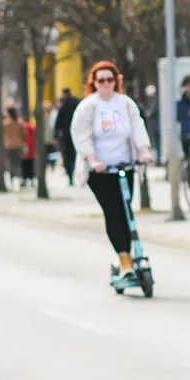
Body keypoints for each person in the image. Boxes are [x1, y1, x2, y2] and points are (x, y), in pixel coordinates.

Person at [69, 60, 153, 279]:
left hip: (125, 165)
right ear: (94, 83)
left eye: (110, 79)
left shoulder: (125, 104)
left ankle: (133, 255)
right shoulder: (88, 106)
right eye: (101, 80)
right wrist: (93, 159)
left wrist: (143, 151)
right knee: (114, 212)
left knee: (127, 212)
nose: (106, 84)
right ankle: (124, 259)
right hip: (101, 172)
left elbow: (137, 128)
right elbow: (81, 134)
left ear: (116, 81)